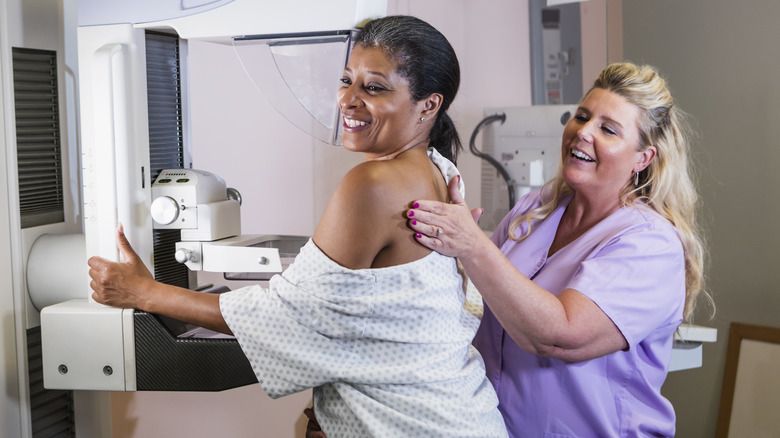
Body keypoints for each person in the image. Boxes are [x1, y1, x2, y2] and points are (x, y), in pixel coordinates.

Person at [88, 15, 507, 438]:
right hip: (459, 414)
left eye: (374, 87)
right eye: (347, 80)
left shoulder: (374, 183)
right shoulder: (440, 169)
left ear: (428, 105)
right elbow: (374, 319)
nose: (348, 99)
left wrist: (144, 292)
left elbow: (286, 318)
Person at [407, 62, 713, 437]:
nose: (584, 132)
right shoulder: (535, 211)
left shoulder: (651, 244)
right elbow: (480, 300)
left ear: (642, 158)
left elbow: (558, 336)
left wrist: (472, 245)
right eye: (582, 117)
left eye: (608, 129)